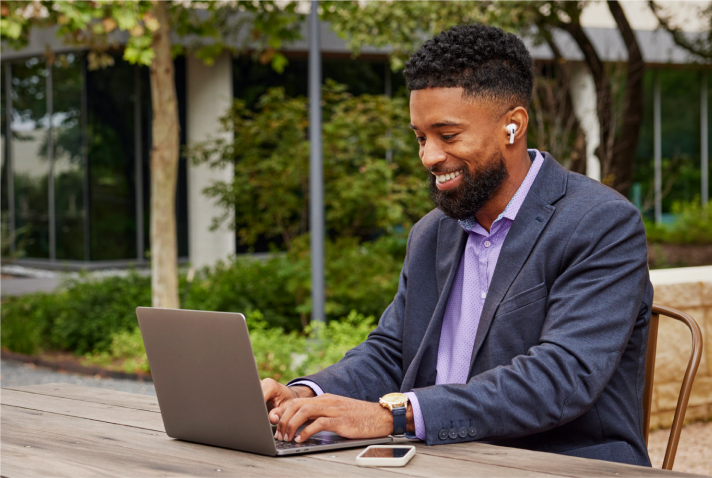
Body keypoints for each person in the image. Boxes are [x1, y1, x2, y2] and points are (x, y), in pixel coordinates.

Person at [261, 24, 653, 467]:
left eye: (447, 136)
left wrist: (395, 416)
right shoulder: (432, 233)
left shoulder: (600, 223)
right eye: (420, 138)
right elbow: (391, 352)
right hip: (440, 459)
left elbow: (560, 376)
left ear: (513, 125)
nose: (428, 157)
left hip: (561, 463)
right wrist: (303, 395)